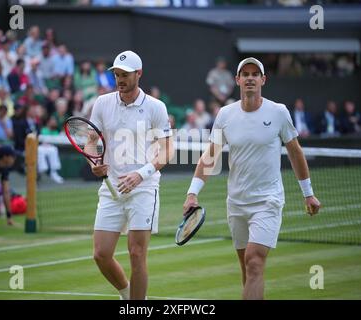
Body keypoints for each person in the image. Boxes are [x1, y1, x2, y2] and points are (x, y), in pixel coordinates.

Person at [183, 57, 321, 300]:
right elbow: (210, 156)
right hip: (236, 203)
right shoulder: (225, 114)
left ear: (263, 80)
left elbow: (295, 152)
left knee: (254, 262)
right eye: (245, 74)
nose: (249, 77)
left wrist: (308, 193)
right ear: (237, 80)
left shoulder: (278, 112)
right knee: (248, 270)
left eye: (254, 74)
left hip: (267, 201)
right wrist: (192, 193)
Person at [87, 50, 173, 300]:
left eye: (125, 75)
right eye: (116, 74)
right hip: (111, 189)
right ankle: (129, 294)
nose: (120, 79)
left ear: (139, 74)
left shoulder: (156, 107)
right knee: (101, 254)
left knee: (136, 254)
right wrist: (93, 161)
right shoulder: (102, 103)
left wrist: (141, 174)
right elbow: (91, 141)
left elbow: (167, 150)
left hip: (143, 189)